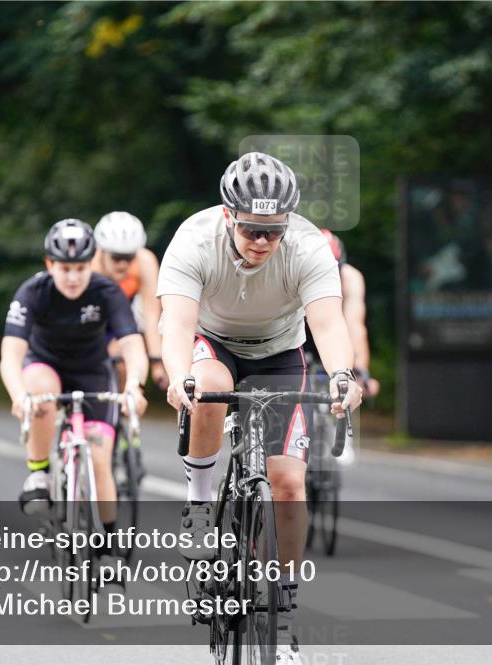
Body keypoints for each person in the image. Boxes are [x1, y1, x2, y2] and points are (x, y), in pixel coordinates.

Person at [157, 152, 363, 664]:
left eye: (273, 232)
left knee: (289, 484)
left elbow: (328, 324)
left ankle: (283, 617)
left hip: (280, 353)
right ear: (228, 215)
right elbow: (177, 324)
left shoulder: (308, 246)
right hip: (213, 341)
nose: (263, 242)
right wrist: (179, 376)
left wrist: (343, 376)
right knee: (208, 386)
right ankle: (199, 504)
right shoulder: (194, 238)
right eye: (251, 230)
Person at [0, 219, 148, 532]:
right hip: (45, 365)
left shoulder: (106, 291)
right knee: (39, 391)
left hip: (93, 371)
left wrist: (135, 384)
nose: (72, 277)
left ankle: (107, 541)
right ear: (49, 264)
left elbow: (132, 344)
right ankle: (39, 472)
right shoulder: (32, 292)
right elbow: (11, 354)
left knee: (99, 458)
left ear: (90, 264)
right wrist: (18, 395)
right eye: (64, 268)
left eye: (80, 268)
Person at [304, 229, 380, 464]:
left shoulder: (351, 278)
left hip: (332, 325)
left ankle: (343, 427)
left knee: (345, 376)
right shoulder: (295, 268)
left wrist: (361, 371)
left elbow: (355, 326)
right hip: (299, 326)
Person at [91, 211, 168, 390]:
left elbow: (151, 315)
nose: (123, 264)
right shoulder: (89, 266)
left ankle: (125, 401)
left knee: (125, 357)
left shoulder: (144, 261)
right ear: (102, 251)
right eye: (116, 257)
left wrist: (157, 362)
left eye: (128, 257)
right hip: (94, 318)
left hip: (125, 316)